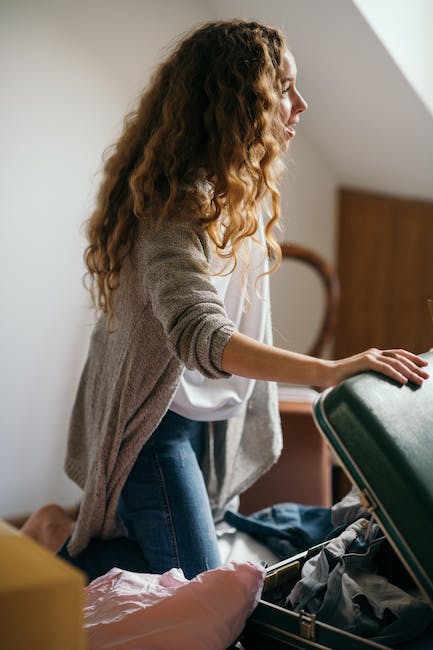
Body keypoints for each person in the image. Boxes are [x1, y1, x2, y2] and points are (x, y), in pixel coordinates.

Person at [56, 19, 428, 583]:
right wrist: (329, 371)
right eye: (284, 88)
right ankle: (55, 552)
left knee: (217, 549)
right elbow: (201, 334)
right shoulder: (172, 206)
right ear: (238, 102)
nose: (300, 105)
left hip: (200, 415)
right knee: (204, 592)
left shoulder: (240, 193)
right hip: (155, 431)